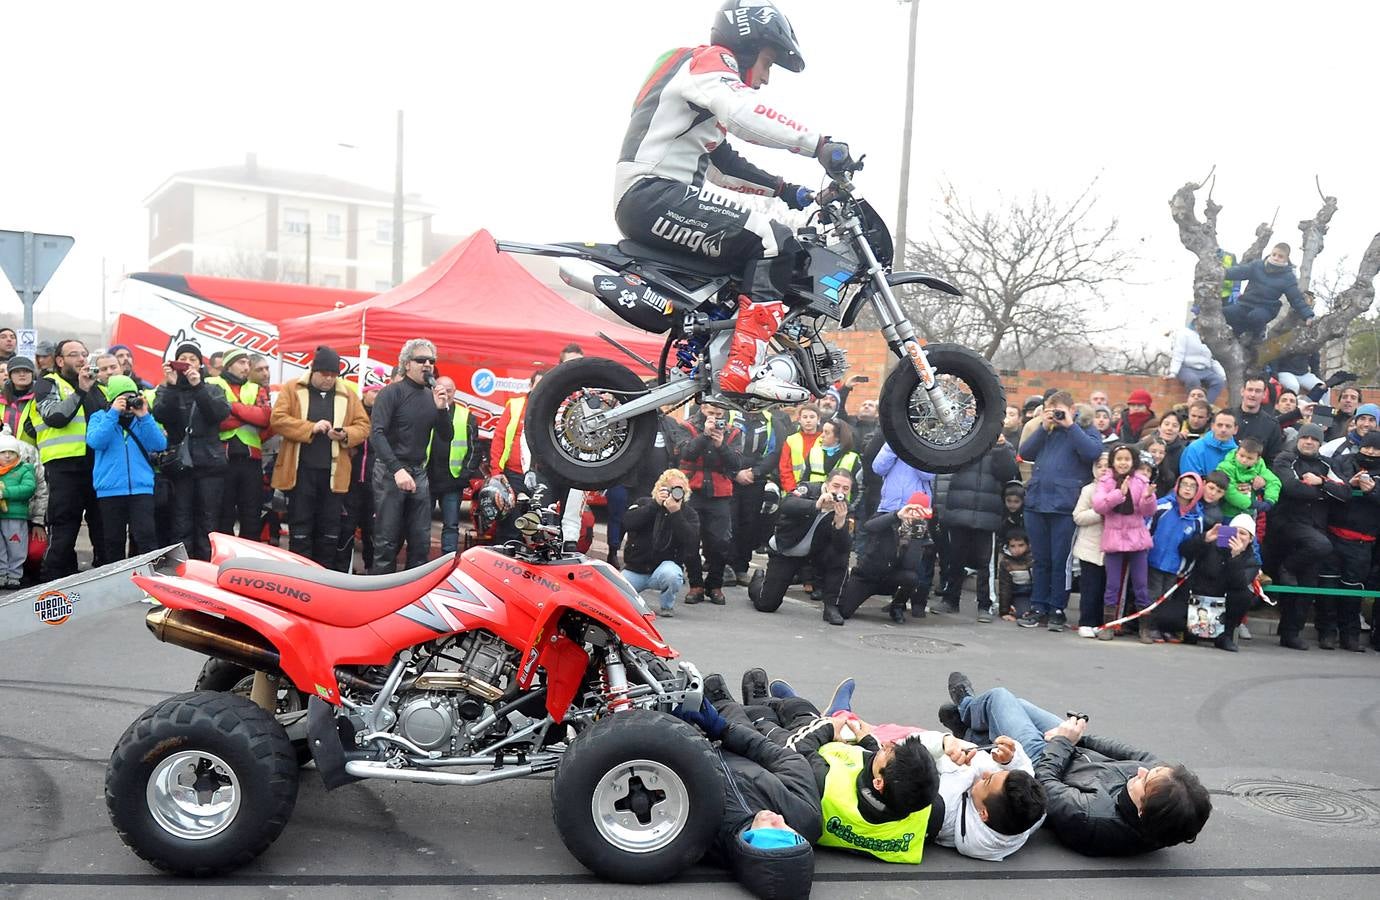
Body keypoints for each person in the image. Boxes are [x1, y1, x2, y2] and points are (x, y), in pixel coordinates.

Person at [616, 1, 848, 401]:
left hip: (655, 197)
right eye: (767, 62)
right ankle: (745, 368)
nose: (765, 79)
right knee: (771, 239)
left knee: (760, 248)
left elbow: (723, 165)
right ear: (746, 45)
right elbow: (743, 112)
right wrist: (819, 146)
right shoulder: (707, 62)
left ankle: (717, 353)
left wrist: (790, 191)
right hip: (652, 193)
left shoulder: (697, 84)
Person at [943, 672, 1211, 857]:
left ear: (1141, 811)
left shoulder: (1090, 817)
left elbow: (1044, 785)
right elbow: (1135, 754)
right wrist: (1078, 736)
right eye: (1151, 772)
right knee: (1018, 706)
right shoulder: (1165, 793)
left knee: (999, 699)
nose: (1141, 772)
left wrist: (1061, 742)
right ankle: (973, 733)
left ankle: (967, 707)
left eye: (1143, 781)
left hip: (1045, 764)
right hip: (1071, 751)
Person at [748, 673, 940, 865]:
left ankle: (765, 706)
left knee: (790, 723)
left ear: (878, 782)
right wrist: (869, 743)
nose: (888, 744)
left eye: (889, 751)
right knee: (841, 729)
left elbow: (792, 751)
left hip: (804, 761)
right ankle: (833, 710)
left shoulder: (827, 783)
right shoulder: (926, 806)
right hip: (850, 786)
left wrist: (829, 728)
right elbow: (894, 783)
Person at [671, 675, 820, 899]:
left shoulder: (701, 840)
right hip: (736, 741)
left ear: (749, 847)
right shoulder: (804, 818)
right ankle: (734, 702)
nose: (779, 820)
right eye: (792, 834)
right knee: (729, 708)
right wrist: (723, 729)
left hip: (677, 746)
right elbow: (789, 761)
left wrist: (670, 732)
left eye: (775, 832)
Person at [270, 347, 371, 569]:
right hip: (300, 471)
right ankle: (299, 573)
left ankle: (324, 574)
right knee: (301, 527)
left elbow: (363, 426)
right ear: (313, 371)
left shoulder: (347, 394)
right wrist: (310, 427)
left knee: (329, 529)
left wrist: (345, 434)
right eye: (325, 374)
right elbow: (277, 419)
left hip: (334, 476)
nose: (329, 379)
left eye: (334, 375)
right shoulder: (293, 388)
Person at [1018, 390, 1103, 631]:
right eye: (1049, 409)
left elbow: (1092, 453)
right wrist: (1044, 427)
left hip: (1065, 506)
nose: (1053, 414)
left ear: (1072, 409)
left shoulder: (1084, 429)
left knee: (1060, 561)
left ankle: (1057, 608)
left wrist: (1070, 425)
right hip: (1037, 503)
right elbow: (1025, 453)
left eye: (1058, 410)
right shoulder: (1045, 430)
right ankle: (1038, 606)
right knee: (1041, 559)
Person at [368, 340, 451, 573]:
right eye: (421, 360)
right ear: (406, 365)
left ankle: (414, 596)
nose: (427, 365)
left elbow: (447, 436)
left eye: (431, 361)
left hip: (418, 471)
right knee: (387, 539)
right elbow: (377, 434)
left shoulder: (431, 396)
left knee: (420, 541)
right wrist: (397, 469)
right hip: (390, 470)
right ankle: (379, 596)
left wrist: (442, 409)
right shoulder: (390, 393)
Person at [1269, 423, 1350, 650]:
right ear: (1298, 439)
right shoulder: (1285, 459)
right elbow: (1291, 487)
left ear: (1320, 443)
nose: (1309, 442)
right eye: (1305, 437)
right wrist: (1323, 493)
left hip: (1316, 527)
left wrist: (1321, 482)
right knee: (1322, 546)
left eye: (1314, 439)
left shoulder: (1327, 464)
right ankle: (1287, 566)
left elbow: (1344, 492)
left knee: (1306, 585)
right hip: (1288, 527)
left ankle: (1291, 634)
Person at [32, 339, 108, 577]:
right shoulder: (48, 383)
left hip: (98, 468)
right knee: (64, 527)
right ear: (60, 360)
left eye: (84, 354)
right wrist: (81, 391)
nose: (82, 359)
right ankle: (52, 580)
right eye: (74, 354)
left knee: (103, 527)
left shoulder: (99, 388)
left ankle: (103, 576)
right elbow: (55, 416)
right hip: (64, 468)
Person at [153, 343, 231, 561]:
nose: (187, 362)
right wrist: (172, 387)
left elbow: (218, 413)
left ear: (200, 364)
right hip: (180, 466)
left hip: (210, 464)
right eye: (183, 358)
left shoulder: (213, 388)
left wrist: (198, 387)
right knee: (181, 519)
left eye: (193, 359)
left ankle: (207, 566)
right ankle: (183, 568)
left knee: (208, 521)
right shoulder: (166, 389)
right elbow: (160, 414)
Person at [750, 468, 853, 622]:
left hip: (814, 556)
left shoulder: (845, 507)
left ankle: (832, 606)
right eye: (836, 486)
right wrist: (816, 505)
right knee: (767, 604)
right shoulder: (809, 489)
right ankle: (758, 580)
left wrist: (840, 524)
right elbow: (787, 504)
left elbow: (843, 546)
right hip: (788, 550)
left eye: (845, 489)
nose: (840, 491)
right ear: (827, 483)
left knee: (840, 555)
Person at [85, 375, 166, 562]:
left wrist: (144, 416)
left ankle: (149, 577)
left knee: (146, 537)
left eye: (132, 397)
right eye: (124, 398)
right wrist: (113, 413)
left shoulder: (143, 419)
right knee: (113, 540)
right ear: (112, 399)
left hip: (141, 488)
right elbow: (96, 441)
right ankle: (115, 579)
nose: (129, 403)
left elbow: (159, 444)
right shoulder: (99, 417)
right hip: (110, 489)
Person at [936, 437, 1018, 620]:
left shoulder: (1005, 446)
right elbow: (948, 463)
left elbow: (1009, 473)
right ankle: (950, 599)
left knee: (985, 563)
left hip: (987, 512)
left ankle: (985, 604)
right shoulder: (964, 438)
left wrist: (1000, 447)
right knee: (954, 558)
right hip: (959, 507)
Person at [1093, 444, 1159, 643]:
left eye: (1127, 459)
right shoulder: (1105, 481)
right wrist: (1118, 494)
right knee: (1112, 584)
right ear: (1113, 461)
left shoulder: (1141, 481)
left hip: (1137, 539)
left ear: (1133, 462)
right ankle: (1109, 626)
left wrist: (1148, 497)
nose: (1123, 463)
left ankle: (1144, 628)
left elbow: (1148, 511)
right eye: (1119, 459)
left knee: (1141, 585)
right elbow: (1099, 506)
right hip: (1113, 538)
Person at [680, 401, 743, 605]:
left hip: (720, 493)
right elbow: (684, 453)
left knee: (720, 543)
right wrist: (704, 436)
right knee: (689, 540)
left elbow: (736, 463)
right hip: (693, 490)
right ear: (702, 408)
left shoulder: (733, 432)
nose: (714, 417)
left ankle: (714, 585)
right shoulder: (686, 426)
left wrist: (720, 445)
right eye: (710, 412)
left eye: (718, 413)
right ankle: (696, 585)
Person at [837, 492, 931, 625]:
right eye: (912, 512)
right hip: (867, 575)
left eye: (920, 515)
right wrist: (896, 515)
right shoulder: (889, 518)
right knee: (843, 611)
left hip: (890, 579)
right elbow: (869, 526)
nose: (914, 517)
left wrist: (916, 538)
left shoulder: (921, 531)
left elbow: (911, 566)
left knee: (912, 578)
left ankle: (897, 606)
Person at [207, 348, 272, 540]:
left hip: (251, 460)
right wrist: (248, 415)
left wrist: (232, 407)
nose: (246, 367)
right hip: (222, 458)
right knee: (224, 514)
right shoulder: (212, 384)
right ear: (229, 364)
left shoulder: (256, 388)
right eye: (241, 362)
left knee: (251, 515)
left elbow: (265, 417)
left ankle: (248, 561)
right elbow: (217, 420)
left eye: (247, 363)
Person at [1175, 514, 1259, 652]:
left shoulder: (1252, 561)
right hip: (1196, 598)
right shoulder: (1212, 545)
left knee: (1245, 595)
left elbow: (1238, 584)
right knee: (1166, 618)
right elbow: (1184, 550)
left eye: (1243, 533)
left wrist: (1235, 558)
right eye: (1235, 531)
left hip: (1223, 603)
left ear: (1250, 539)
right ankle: (1189, 630)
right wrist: (1204, 538)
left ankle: (1225, 636)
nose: (1238, 536)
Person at [620, 469, 699, 616]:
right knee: (616, 594)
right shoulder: (644, 503)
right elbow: (628, 523)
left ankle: (666, 606)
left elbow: (691, 541)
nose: (675, 493)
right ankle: (633, 604)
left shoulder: (688, 513)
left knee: (672, 575)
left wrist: (676, 513)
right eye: (671, 489)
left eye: (679, 490)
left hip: (664, 569)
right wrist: (655, 505)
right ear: (660, 488)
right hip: (636, 568)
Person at [1328, 431, 1380, 652]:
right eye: (1367, 447)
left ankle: (1350, 636)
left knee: (1352, 591)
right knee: (1328, 586)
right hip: (1333, 534)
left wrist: (1373, 491)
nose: (1369, 452)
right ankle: (1327, 633)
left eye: (1375, 449)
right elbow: (1332, 483)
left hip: (1363, 542)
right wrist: (1350, 484)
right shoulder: (1343, 461)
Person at [872, 441, 936, 618]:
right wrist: (894, 446)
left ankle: (917, 602)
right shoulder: (891, 443)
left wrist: (912, 450)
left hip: (916, 510)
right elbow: (878, 468)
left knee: (916, 560)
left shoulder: (924, 446)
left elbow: (928, 474)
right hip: (890, 508)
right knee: (892, 555)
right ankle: (896, 599)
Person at [727, 408, 786, 584]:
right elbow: (721, 445)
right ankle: (725, 566)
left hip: (755, 481)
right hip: (729, 478)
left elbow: (774, 452)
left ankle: (741, 568)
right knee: (730, 523)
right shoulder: (730, 414)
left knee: (749, 525)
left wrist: (756, 472)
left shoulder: (772, 422)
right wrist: (735, 473)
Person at [1144, 473, 1205, 642]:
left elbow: (1194, 544)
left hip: (1176, 565)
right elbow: (1147, 527)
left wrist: (1186, 569)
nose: (1187, 489)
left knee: (1167, 598)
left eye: (1192, 486)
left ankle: (1163, 628)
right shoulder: (1163, 506)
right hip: (1154, 560)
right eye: (1184, 484)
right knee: (1153, 594)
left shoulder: (1197, 517)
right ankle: (1150, 627)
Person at [427, 376, 479, 556]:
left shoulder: (466, 416)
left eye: (449, 391)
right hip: (427, 478)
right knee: (421, 525)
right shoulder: (426, 411)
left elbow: (474, 450)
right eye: (442, 390)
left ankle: (448, 562)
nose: (445, 394)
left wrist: (464, 475)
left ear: (455, 392)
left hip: (453, 480)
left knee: (451, 525)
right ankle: (420, 562)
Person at [1222, 243, 1313, 341]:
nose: (1276, 258)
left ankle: (1257, 336)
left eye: (1280, 256)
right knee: (1226, 313)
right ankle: (1236, 333)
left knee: (1256, 317)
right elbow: (1239, 272)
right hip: (1246, 303)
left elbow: (1296, 298)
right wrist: (1221, 273)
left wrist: (1308, 315)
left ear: (1286, 259)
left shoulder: (1288, 277)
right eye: (1274, 254)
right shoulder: (1257, 266)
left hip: (1266, 308)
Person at [1073, 453, 1109, 638]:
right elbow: (1078, 516)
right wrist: (1100, 513)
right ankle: (1086, 621)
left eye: (1107, 465)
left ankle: (1101, 622)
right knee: (1090, 588)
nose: (1103, 469)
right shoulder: (1089, 490)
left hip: (1110, 549)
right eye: (1100, 465)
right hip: (1089, 548)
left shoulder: (1118, 489)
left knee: (1105, 588)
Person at [0, 434, 36, 586]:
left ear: (18, 454)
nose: (7, 456)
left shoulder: (24, 470)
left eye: (11, 452)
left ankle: (15, 575)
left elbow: (29, 488)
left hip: (16, 515)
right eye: (3, 452)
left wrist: (5, 492)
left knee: (16, 547)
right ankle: (1, 574)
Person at [1214, 437, 1281, 518]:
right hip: (1228, 513)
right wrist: (1250, 503)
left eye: (1250, 458)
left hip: (1249, 513)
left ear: (1258, 459)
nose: (1244, 460)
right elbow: (1229, 491)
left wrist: (1270, 500)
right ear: (1236, 452)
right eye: (1241, 455)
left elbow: (1274, 481)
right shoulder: (1225, 467)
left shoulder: (1259, 466)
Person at [1230, 375, 1283, 465]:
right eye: (1250, 390)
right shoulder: (1226, 416)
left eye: (1258, 391)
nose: (1253, 395)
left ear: (1264, 394)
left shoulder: (1271, 425)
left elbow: (1273, 460)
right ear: (1242, 391)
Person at [1167, 324, 1226, 403]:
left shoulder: (1211, 336)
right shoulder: (1185, 333)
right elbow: (1178, 353)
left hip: (1205, 370)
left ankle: (1206, 407)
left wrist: (1224, 376)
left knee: (1218, 381)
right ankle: (1194, 407)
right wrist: (1173, 372)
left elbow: (1213, 359)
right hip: (1186, 368)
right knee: (1193, 380)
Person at [798, 418, 860, 495]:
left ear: (838, 437)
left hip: (840, 504)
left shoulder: (852, 458)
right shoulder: (813, 452)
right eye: (822, 431)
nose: (822, 436)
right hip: (813, 503)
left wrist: (850, 507)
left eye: (826, 433)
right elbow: (803, 482)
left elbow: (858, 491)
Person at [1177, 409, 1238, 477]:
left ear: (1235, 430)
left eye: (1228, 426)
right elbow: (1190, 480)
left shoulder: (1239, 454)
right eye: (1219, 425)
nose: (1223, 430)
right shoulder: (1194, 449)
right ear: (1212, 426)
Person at [779, 405, 822, 493]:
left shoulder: (824, 439)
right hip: (794, 489)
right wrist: (792, 489)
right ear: (799, 420)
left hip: (819, 489)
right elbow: (784, 467)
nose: (808, 420)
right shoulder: (791, 440)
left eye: (812, 417)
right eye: (805, 417)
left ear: (818, 419)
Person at [996, 530, 1035, 623]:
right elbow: (1005, 588)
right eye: (1012, 546)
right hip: (1019, 594)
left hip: (1036, 594)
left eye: (1021, 545)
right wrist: (1004, 612)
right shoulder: (1006, 563)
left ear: (1028, 545)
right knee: (1024, 613)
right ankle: (1013, 608)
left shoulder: (1034, 558)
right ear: (1007, 547)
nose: (1017, 549)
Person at [1, 356, 39, 441]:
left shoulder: (41, 397)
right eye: (17, 371)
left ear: (32, 374)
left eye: (26, 371)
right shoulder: (1, 399)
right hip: (5, 451)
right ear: (10, 375)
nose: (22, 374)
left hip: (32, 451)